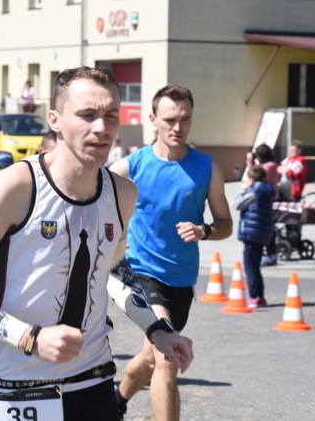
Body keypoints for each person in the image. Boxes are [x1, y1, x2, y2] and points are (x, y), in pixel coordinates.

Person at [0, 66, 193, 420]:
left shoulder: (122, 193)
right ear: (55, 119)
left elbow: (112, 270)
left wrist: (157, 331)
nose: (101, 128)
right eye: (87, 115)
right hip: (18, 387)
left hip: (93, 381)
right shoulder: (16, 185)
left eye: (110, 115)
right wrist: (30, 338)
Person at [111, 84, 233, 421]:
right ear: (153, 119)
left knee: (151, 355)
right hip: (142, 273)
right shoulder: (129, 167)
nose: (177, 128)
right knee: (167, 360)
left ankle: (115, 401)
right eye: (169, 120)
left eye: (185, 120)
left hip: (182, 279)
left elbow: (226, 224)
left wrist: (204, 230)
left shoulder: (208, 168)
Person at [234, 165, 275, 308]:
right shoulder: (267, 190)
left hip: (251, 233)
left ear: (252, 178)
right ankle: (261, 297)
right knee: (256, 266)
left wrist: (243, 188)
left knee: (250, 267)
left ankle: (254, 296)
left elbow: (237, 204)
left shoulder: (254, 191)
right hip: (262, 232)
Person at [255, 144, 281, 266]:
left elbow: (255, 176)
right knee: (267, 228)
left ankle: (270, 255)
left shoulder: (268, 166)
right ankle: (269, 254)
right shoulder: (272, 165)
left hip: (267, 201)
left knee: (267, 229)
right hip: (266, 200)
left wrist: (251, 164)